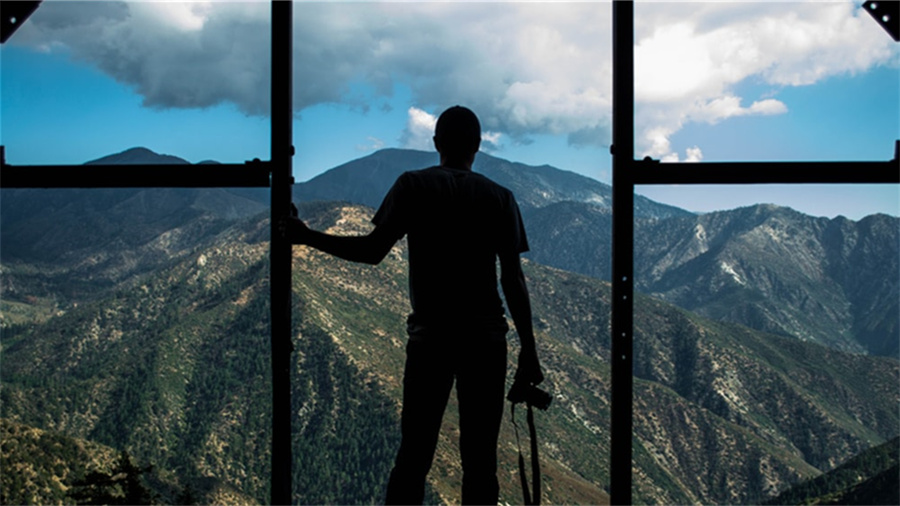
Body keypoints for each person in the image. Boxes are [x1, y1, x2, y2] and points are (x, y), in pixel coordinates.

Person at [283, 105, 544, 505]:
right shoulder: (500, 198)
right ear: (477, 146)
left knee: (414, 456)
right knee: (480, 462)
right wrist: (529, 349)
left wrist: (307, 237)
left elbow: (371, 251)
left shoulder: (413, 185)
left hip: (431, 339)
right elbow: (513, 279)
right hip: (486, 341)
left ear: (436, 143)